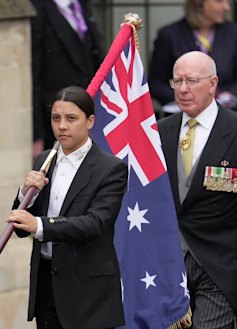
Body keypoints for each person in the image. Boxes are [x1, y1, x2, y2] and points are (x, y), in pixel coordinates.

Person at [157, 51, 237, 329]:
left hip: (222, 266)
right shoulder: (159, 131)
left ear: (213, 84)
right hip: (169, 265)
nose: (183, 89)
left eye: (192, 81)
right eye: (177, 81)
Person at [7, 86, 127, 329]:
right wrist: (24, 193)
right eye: (55, 118)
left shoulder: (110, 168)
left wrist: (39, 225)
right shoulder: (44, 159)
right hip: (47, 285)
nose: (62, 126)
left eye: (71, 118)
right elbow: (21, 228)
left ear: (90, 121)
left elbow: (95, 223)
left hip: (89, 293)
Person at [31, 0, 104, 157]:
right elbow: (33, 75)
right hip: (55, 120)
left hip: (89, 115)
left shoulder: (81, 5)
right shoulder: (37, 8)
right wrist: (36, 135)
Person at [150, 0, 237, 116]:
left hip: (225, 115)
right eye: (219, 1)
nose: (227, 7)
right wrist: (182, 96)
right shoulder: (169, 35)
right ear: (198, 3)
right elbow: (156, 83)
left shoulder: (233, 32)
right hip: (182, 117)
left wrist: (232, 95)